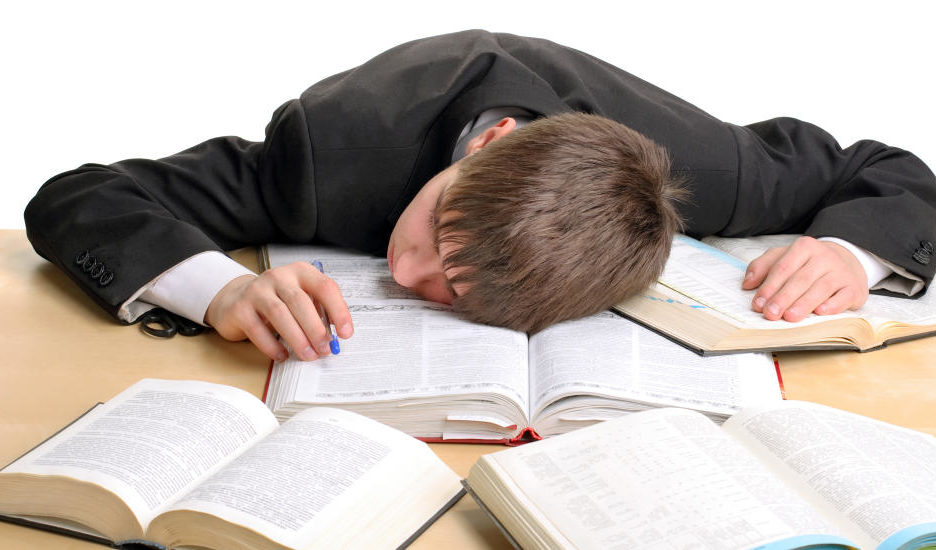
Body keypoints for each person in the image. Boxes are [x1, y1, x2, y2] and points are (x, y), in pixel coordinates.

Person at [24, 30, 936, 363]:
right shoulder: (324, 157)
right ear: (489, 144)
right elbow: (80, 195)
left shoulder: (719, 172)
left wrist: (848, 253)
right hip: (389, 115)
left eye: (453, 289)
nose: (403, 270)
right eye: (435, 228)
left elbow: (887, 169)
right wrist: (221, 288)